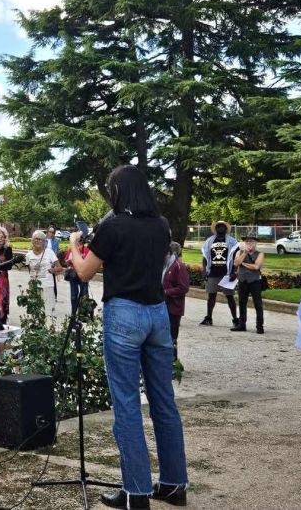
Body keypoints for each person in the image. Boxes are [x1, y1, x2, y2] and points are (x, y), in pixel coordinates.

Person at [68, 165, 188, 509]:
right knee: (163, 400)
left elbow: (84, 271)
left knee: (126, 404)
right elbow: (138, 259)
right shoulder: (161, 225)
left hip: (124, 313)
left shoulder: (112, 226)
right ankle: (174, 483)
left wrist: (77, 245)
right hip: (157, 313)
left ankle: (136, 491)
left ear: (118, 191)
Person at [200, 220, 239, 327]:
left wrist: (234, 272)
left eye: (222, 226)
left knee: (230, 297)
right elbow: (205, 257)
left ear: (226, 229)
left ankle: (235, 319)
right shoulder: (209, 241)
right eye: (218, 226)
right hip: (213, 272)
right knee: (211, 296)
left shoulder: (232, 241)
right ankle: (209, 318)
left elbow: (237, 258)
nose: (220, 228)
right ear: (215, 229)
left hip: (226, 274)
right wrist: (204, 270)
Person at [232, 234, 266, 334]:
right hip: (243, 281)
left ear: (255, 243)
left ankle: (260, 326)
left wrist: (242, 263)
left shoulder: (260, 254)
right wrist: (245, 253)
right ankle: (242, 324)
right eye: (247, 241)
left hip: (255, 281)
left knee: (258, 304)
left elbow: (256, 267)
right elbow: (236, 263)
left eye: (251, 241)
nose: (249, 243)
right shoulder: (240, 252)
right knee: (242, 303)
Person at [24, 230, 62, 318]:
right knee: (35, 312)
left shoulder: (49, 252)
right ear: (32, 241)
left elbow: (60, 268)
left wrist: (53, 270)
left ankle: (48, 329)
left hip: (47, 286)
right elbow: (30, 271)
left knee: (48, 312)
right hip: (34, 287)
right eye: (36, 239)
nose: (37, 241)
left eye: (40, 239)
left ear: (44, 242)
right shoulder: (28, 255)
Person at [162, 242, 190, 359]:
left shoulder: (178, 266)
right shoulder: (166, 266)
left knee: (172, 336)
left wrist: (166, 292)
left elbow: (184, 288)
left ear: (168, 254)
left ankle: (173, 362)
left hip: (173, 307)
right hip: (164, 305)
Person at [65, 235, 91, 316]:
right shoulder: (71, 250)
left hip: (83, 274)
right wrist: (69, 261)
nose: (77, 243)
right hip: (73, 274)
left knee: (84, 294)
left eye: (78, 241)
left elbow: (89, 262)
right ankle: (73, 312)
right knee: (73, 295)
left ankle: (83, 313)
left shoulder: (86, 250)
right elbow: (66, 261)